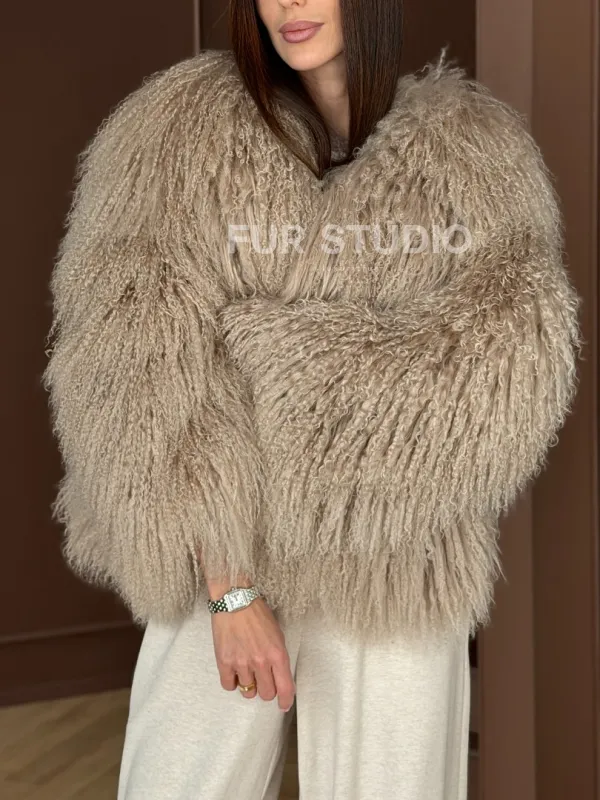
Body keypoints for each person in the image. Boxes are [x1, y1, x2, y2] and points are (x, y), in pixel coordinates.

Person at [42, 0, 582, 798]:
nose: (289, 3)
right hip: (223, 557)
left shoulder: (475, 155)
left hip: (396, 561)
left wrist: (261, 357)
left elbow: (510, 360)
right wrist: (230, 588)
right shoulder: (178, 136)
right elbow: (130, 364)